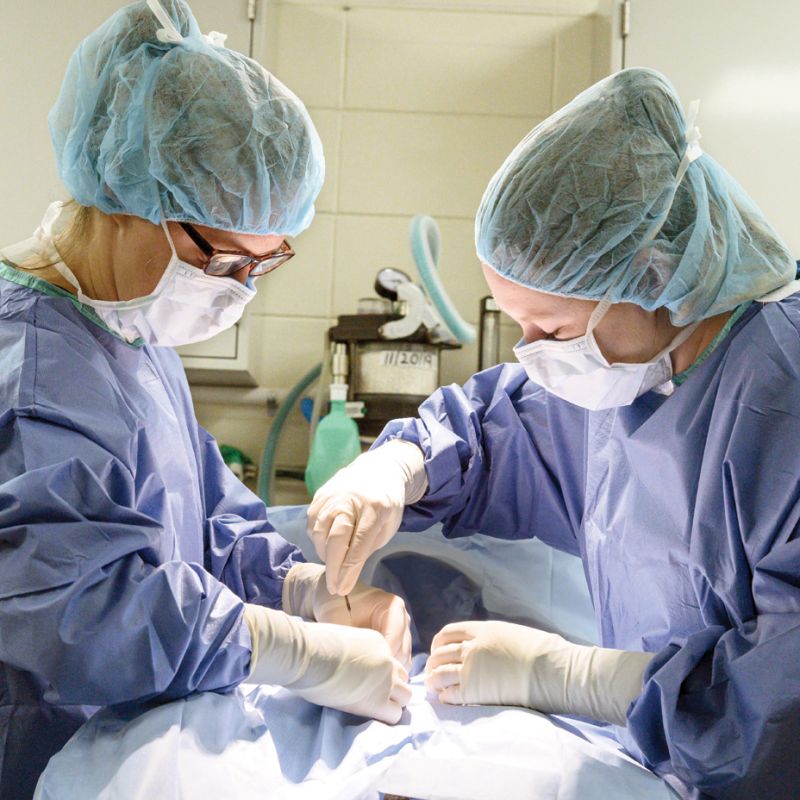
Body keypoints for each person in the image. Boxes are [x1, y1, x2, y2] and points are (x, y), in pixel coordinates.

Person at [307, 68, 800, 798]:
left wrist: (570, 676)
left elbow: (785, 702)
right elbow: (496, 430)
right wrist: (396, 468)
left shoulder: (781, 391)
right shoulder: (627, 380)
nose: (532, 351)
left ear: (653, 272)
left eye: (552, 328)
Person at [0, 2, 411, 797]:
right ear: (127, 197)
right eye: (224, 260)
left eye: (265, 264)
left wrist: (308, 593)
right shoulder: (31, 368)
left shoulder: (135, 335)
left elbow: (201, 530)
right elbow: (72, 613)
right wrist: (293, 651)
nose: (239, 292)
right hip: (37, 756)